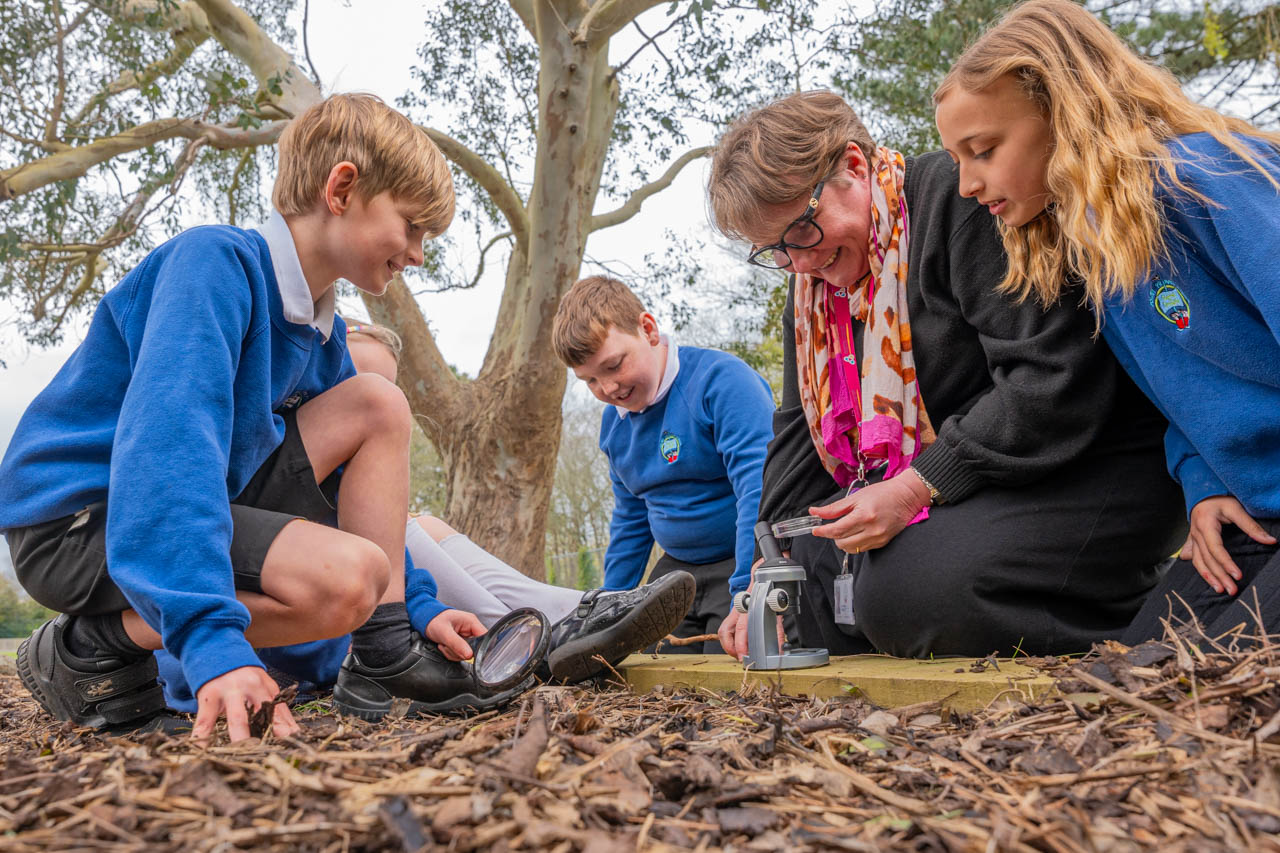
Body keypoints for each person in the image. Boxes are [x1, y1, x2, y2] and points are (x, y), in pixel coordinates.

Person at [0, 94, 512, 739]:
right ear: (341, 189)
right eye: (411, 226)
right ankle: (91, 647)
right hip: (84, 519)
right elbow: (170, 453)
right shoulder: (213, 265)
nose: (417, 253)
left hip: (204, 502)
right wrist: (214, 645)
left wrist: (417, 608)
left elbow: (343, 496)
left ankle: (385, 654)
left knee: (378, 404)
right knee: (342, 581)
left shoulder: (323, 338)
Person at [706, 90, 1188, 662]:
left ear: (853, 167)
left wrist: (915, 487)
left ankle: (1140, 614)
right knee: (800, 598)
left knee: (906, 595)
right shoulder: (812, 284)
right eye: (775, 251)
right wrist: (764, 570)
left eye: (803, 230)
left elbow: (1049, 381)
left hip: (1082, 465)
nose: (801, 264)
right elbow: (797, 430)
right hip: (962, 490)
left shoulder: (959, 203)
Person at [933, 0, 1280, 644]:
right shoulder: (1097, 257)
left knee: (1234, 670)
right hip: (1254, 509)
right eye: (957, 159)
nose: (966, 186)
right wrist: (1205, 485)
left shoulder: (1204, 178)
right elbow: (1178, 401)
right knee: (1132, 669)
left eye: (982, 151)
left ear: (1063, 113)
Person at [346, 319, 697, 683]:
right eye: (360, 384)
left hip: (380, 590)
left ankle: (567, 613)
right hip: (346, 627)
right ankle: (523, 637)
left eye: (389, 390)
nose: (381, 405)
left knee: (426, 526)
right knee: (403, 526)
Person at [551, 276, 776, 655]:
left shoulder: (721, 382)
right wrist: (608, 607)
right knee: (645, 661)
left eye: (613, 365)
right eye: (589, 381)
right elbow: (631, 519)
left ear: (648, 330)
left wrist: (746, 591)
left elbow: (758, 488)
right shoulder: (614, 426)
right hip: (676, 571)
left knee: (731, 660)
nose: (608, 389)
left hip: (739, 562)